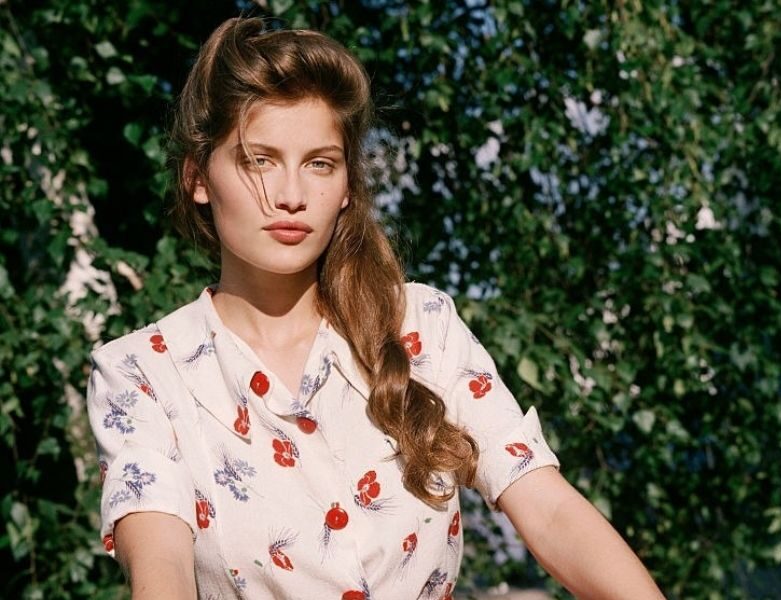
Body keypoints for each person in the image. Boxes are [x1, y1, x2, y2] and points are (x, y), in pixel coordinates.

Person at [85, 16, 665, 600]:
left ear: (345, 189)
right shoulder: (142, 373)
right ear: (198, 178)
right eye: (259, 160)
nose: (291, 195)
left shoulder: (422, 326)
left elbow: (548, 509)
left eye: (319, 163)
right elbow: (160, 572)